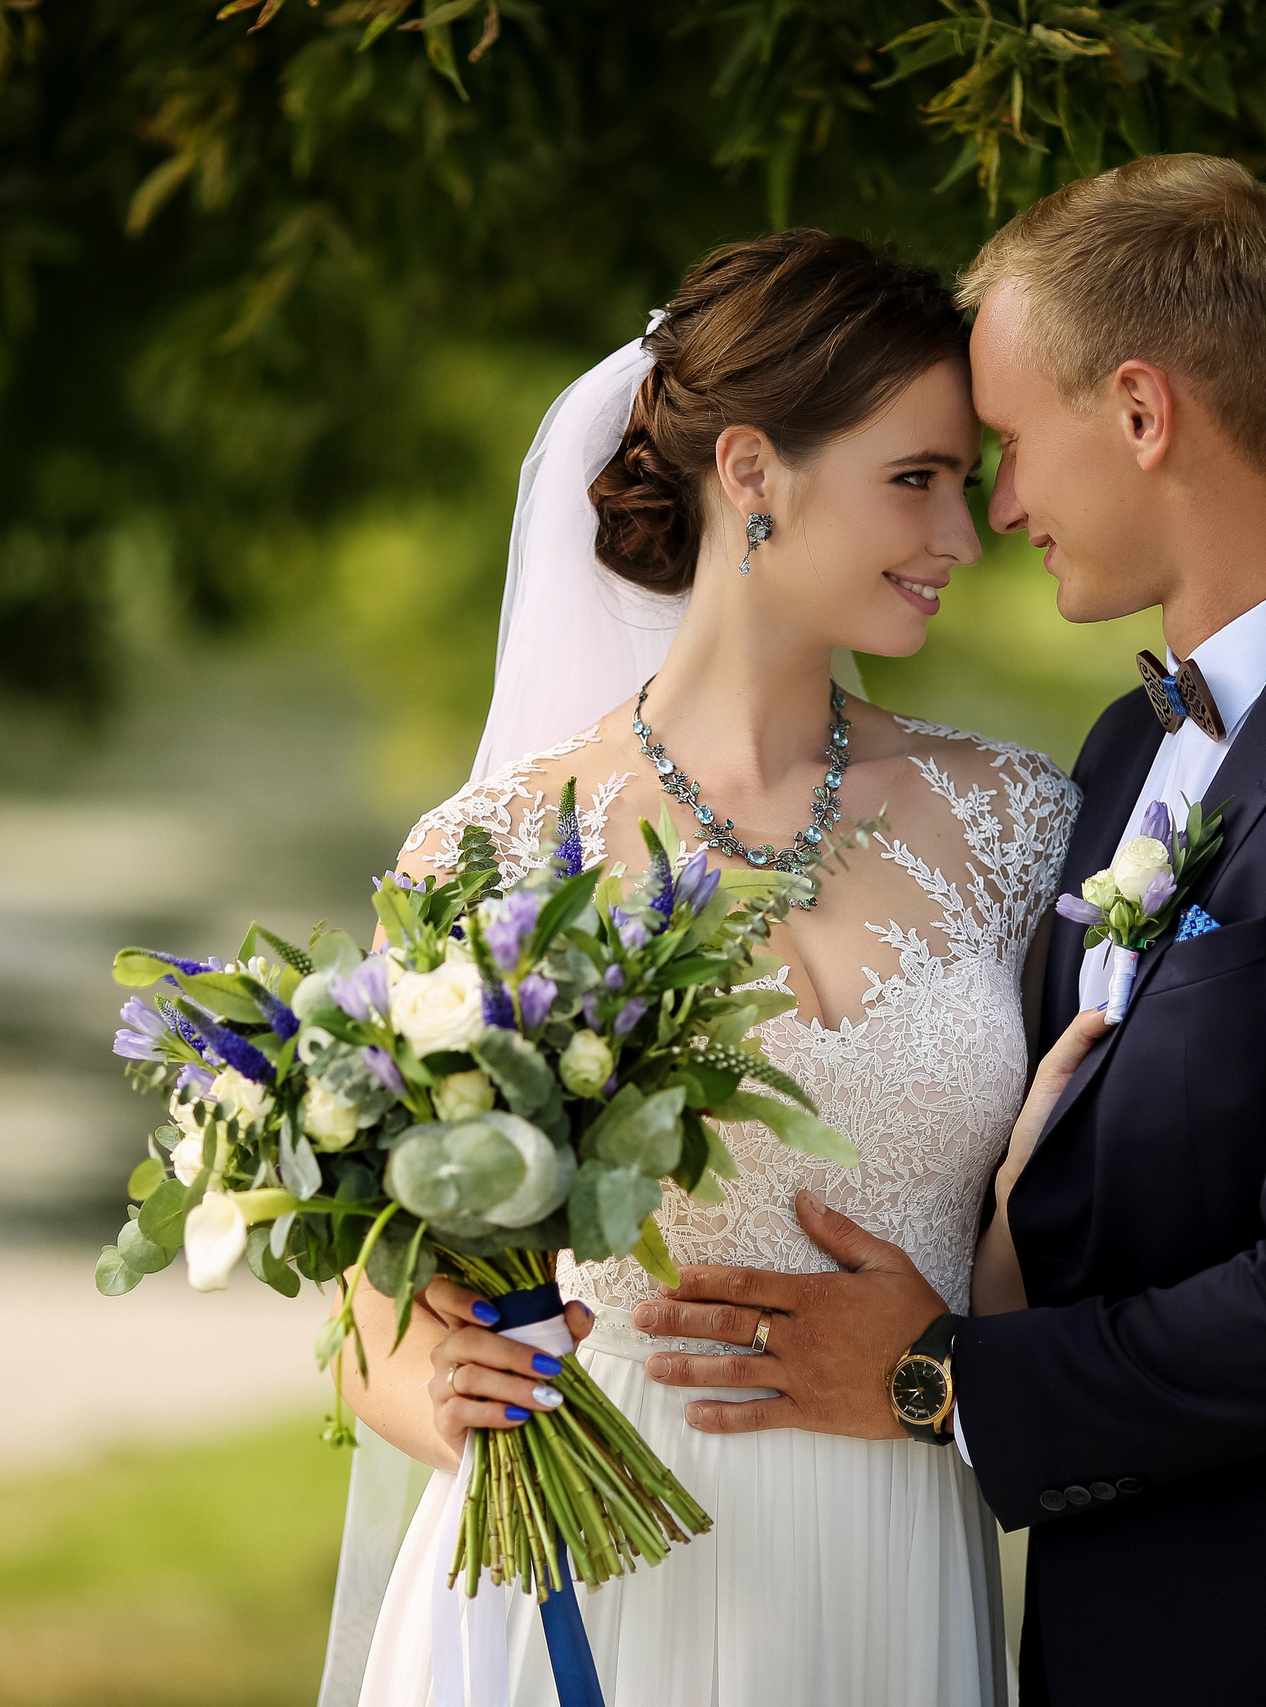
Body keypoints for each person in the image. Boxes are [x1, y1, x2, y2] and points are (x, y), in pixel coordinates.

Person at [639, 155, 1266, 1705]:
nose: (1004, 507)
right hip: (1136, 1636)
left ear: (1141, 411)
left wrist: (937, 1380)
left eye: (1014, 447)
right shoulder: (1118, 765)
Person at [327, 229, 1080, 1707]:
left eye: (966, 480)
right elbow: (375, 1304)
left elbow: (1043, 1273)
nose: (963, 536)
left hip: (888, 1564)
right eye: (915, 480)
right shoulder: (492, 854)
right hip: (580, 1577)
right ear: (752, 471)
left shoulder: (1023, 826)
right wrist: (435, 1388)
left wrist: (996, 1255)